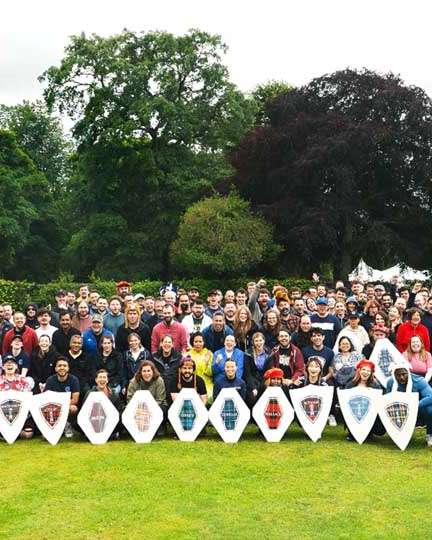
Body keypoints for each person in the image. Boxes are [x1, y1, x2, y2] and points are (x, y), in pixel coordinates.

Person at [385, 364, 432, 447]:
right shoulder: (390, 382)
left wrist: (414, 405)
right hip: (399, 411)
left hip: (418, 409)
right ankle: (398, 433)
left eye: (404, 374)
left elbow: (430, 396)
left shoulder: (419, 381)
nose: (402, 377)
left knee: (430, 409)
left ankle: (430, 434)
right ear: (394, 375)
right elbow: (387, 400)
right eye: (398, 375)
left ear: (408, 372)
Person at [344, 359, 385, 441]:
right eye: (363, 369)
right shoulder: (351, 384)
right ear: (359, 371)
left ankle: (369, 432)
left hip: (369, 412)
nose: (365, 372)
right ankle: (352, 432)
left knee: (380, 428)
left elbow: (379, 401)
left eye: (368, 371)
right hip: (354, 411)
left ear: (371, 373)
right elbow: (345, 400)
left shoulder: (375, 386)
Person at [44, 357, 80, 438]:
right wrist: (57, 406)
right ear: (56, 368)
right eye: (59, 366)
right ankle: (53, 428)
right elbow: (46, 398)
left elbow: (75, 400)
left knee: (73, 408)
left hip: (67, 406)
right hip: (53, 407)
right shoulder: (50, 380)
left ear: (68, 368)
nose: (62, 368)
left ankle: (67, 425)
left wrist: (61, 406)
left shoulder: (74, 380)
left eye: (64, 366)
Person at [0, 355, 33, 438]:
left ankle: (10, 433)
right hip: (3, 415)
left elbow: (27, 400)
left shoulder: (24, 381)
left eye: (12, 363)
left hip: (21, 415)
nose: (9, 365)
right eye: (7, 363)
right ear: (3, 367)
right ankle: (10, 433)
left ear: (16, 366)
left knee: (28, 434)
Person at [85, 369, 124, 437]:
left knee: (122, 420)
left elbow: (118, 411)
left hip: (110, 421)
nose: (102, 379)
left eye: (104, 377)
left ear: (107, 380)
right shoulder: (89, 394)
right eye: (100, 377)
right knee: (77, 423)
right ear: (96, 380)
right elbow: (85, 412)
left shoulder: (114, 394)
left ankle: (112, 433)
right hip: (95, 420)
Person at [243, 332, 271, 407]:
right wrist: (253, 387)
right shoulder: (248, 353)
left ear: (264, 341)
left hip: (264, 380)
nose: (258, 343)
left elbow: (269, 371)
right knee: (252, 397)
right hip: (252, 380)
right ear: (253, 342)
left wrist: (262, 386)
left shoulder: (269, 353)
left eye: (260, 340)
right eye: (256, 341)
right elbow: (247, 373)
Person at [65, 334, 96, 400]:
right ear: (70, 344)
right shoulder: (64, 356)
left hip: (82, 385)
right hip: (66, 384)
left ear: (82, 345)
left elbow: (91, 374)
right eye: (74, 342)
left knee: (89, 392)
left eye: (79, 343)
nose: (76, 345)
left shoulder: (87, 357)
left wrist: (81, 384)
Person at [152, 335, 182, 400]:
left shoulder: (178, 357)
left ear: (172, 344)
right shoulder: (154, 357)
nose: (167, 344)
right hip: (158, 386)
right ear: (161, 344)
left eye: (169, 342)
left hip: (173, 387)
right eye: (165, 342)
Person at [188, 332, 213, 399]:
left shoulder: (209, 353)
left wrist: (207, 362)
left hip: (207, 383)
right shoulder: (188, 355)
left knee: (209, 397)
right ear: (192, 342)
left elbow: (211, 373)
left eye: (200, 341)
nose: (198, 344)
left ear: (204, 342)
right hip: (191, 383)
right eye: (196, 341)